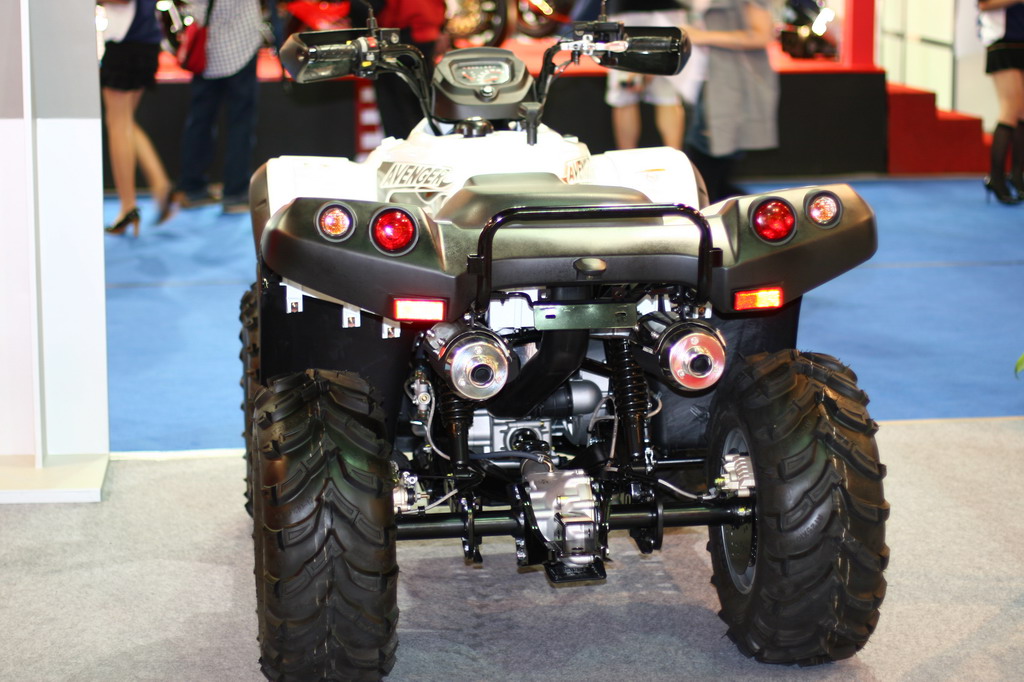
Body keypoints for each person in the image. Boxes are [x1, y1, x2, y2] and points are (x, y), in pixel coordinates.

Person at [681, 0, 778, 202]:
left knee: (708, 158)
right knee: (707, 159)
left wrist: (703, 36)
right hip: (711, 79)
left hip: (733, 82)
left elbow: (762, 34)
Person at [174, 0, 264, 213]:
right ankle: (235, 192)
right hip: (241, 44)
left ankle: (192, 187)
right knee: (240, 123)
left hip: (207, 47)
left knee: (200, 120)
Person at [100, 0, 173, 235]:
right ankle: (160, 185)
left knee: (118, 125)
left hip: (127, 43)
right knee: (124, 122)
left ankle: (128, 207)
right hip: (144, 41)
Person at [604, 0, 689, 151]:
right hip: (631, 15)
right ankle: (627, 159)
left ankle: (675, 158)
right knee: (627, 91)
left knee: (665, 94)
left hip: (661, 15)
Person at [978, 0, 1024, 205]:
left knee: (1022, 111)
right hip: (1002, 41)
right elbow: (984, 4)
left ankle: (1017, 175)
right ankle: (996, 178)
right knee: (1010, 108)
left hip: (1021, 39)